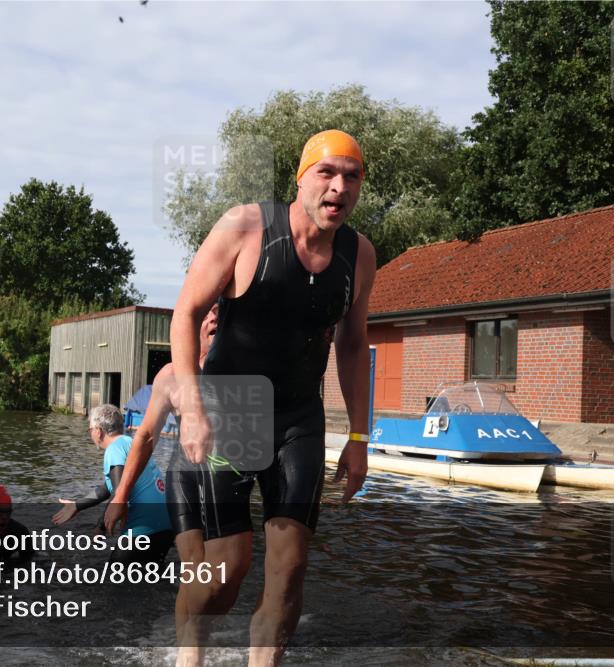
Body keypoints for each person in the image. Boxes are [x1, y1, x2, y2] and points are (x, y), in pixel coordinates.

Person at [135, 129, 376, 664]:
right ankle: (188, 642)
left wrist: (360, 437)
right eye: (327, 173)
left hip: (299, 418)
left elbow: (354, 345)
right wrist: (194, 410)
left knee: (290, 570)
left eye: (352, 176)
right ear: (301, 178)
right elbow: (186, 313)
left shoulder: (358, 254)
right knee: (226, 571)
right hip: (232, 409)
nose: (339, 186)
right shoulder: (245, 226)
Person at [104, 304, 218, 643]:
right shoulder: (170, 375)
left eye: (221, 312)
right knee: (194, 566)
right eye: (208, 312)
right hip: (185, 482)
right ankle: (184, 648)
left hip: (227, 485)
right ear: (194, 325)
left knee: (226, 572)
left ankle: (194, 634)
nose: (214, 318)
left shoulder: (242, 369)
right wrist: (119, 498)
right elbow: (146, 437)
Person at [53, 404, 173, 565]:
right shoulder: (130, 443)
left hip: (143, 528)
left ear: (98, 430)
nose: (90, 435)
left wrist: (101, 527)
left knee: (115, 581)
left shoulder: (114, 449)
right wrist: (77, 505)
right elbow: (107, 488)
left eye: (89, 430)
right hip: (166, 526)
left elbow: (119, 494)